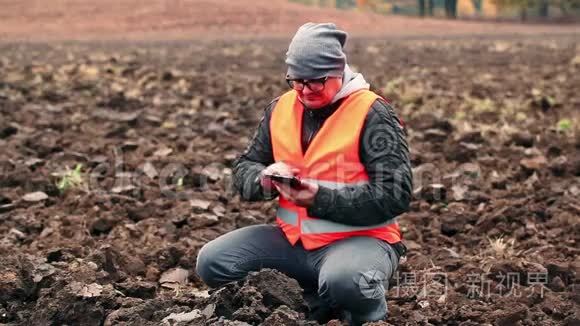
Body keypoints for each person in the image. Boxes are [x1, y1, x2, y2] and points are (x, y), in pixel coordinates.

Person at [196, 22, 413, 325]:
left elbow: (396, 193)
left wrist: (318, 197)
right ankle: (315, 301)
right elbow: (244, 167)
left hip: (360, 240)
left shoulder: (373, 113)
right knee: (214, 262)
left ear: (338, 71)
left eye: (316, 82)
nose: (305, 90)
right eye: (296, 81)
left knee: (347, 282)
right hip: (293, 244)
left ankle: (365, 314)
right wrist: (264, 179)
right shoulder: (280, 108)